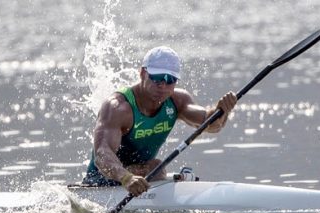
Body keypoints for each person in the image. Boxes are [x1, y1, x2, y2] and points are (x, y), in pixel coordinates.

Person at [82, 46, 237, 196]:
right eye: (156, 78)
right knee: (156, 167)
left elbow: (211, 126)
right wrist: (126, 178)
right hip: (102, 182)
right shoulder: (118, 107)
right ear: (142, 73)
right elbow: (102, 155)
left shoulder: (178, 101)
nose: (162, 86)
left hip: (144, 179)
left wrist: (222, 111)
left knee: (156, 168)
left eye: (170, 80)